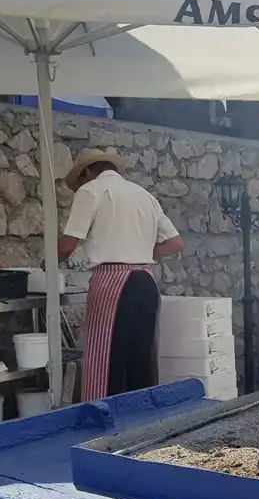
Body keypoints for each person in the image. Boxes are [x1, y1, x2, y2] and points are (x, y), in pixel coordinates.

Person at [57, 149, 184, 401]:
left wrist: (47, 262)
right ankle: (141, 418)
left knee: (105, 358)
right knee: (141, 356)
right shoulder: (144, 196)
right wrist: (142, 250)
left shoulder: (91, 190)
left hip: (113, 280)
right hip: (146, 280)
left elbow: (68, 244)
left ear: (86, 173)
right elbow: (174, 243)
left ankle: (104, 418)